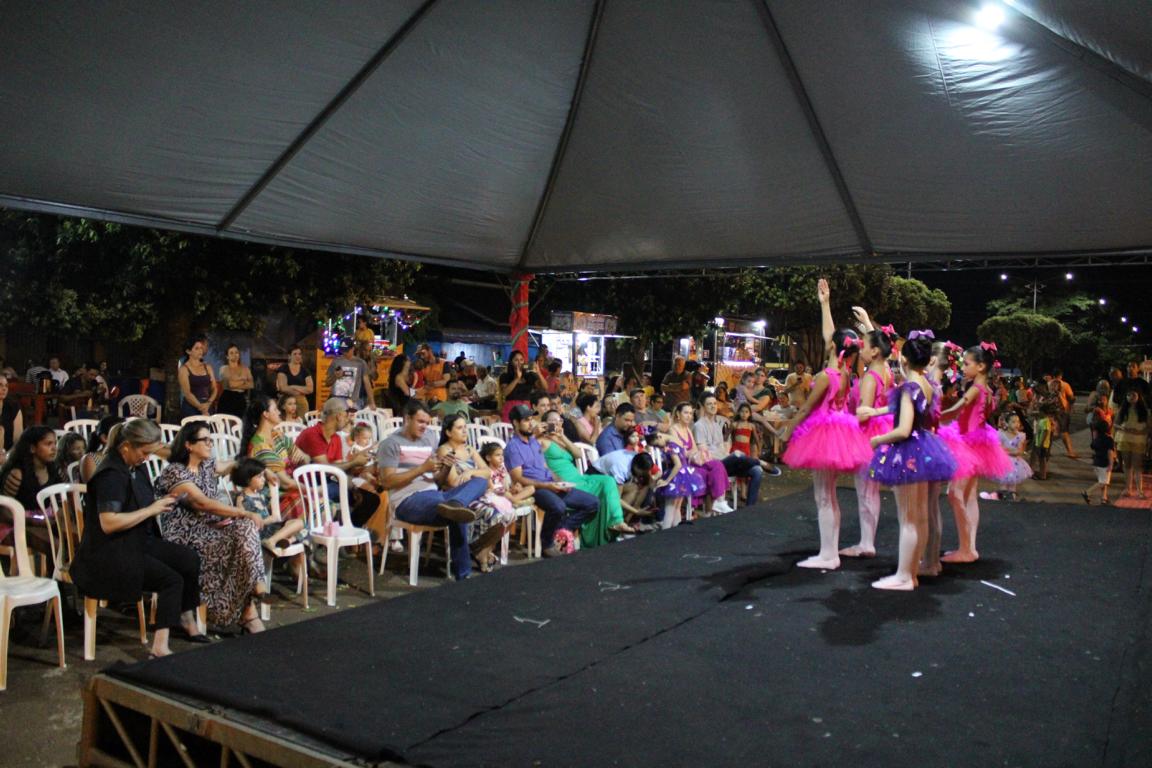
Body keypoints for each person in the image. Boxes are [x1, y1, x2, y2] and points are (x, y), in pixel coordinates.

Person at [69, 419, 207, 658]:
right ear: (126, 447)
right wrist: (151, 510)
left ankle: (186, 618)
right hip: (110, 551)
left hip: (138, 540)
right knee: (171, 580)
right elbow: (109, 523)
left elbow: (143, 498)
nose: (147, 457)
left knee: (189, 558)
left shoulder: (137, 466)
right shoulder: (110, 474)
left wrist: (167, 500)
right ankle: (160, 646)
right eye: (144, 452)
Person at [778, 278, 872, 570]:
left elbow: (806, 407)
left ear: (833, 347)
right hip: (842, 430)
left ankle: (828, 554)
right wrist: (825, 303)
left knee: (823, 495)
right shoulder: (844, 373)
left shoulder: (825, 376)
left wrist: (788, 428)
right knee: (828, 494)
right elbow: (831, 335)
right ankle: (829, 551)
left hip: (825, 431)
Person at [858, 331, 956, 591]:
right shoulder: (927, 384)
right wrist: (877, 410)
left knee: (909, 518)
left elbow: (902, 429)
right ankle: (915, 570)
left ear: (904, 358)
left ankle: (905, 575)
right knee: (920, 517)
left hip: (907, 451)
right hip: (925, 449)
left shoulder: (908, 387)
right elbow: (906, 410)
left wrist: (878, 440)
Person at [154, 421, 267, 632]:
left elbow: (231, 465)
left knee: (245, 528)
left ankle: (254, 594)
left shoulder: (208, 465)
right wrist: (244, 511)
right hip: (185, 534)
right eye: (204, 440)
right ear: (188, 445)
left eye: (211, 439)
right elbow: (201, 503)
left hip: (210, 528)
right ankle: (250, 605)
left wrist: (260, 470)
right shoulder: (175, 472)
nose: (210, 444)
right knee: (242, 527)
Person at [377, 400, 486, 581]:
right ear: (407, 419)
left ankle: (456, 503)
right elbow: (387, 482)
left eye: (427, 423)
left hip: (436, 495)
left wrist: (445, 468)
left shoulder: (429, 438)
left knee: (479, 481)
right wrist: (421, 469)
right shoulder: (390, 444)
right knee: (457, 513)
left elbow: (438, 480)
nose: (424, 427)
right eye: (420, 422)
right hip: (407, 500)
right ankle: (463, 573)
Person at [938, 343, 1013, 564]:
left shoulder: (975, 389)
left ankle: (966, 548)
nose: (963, 367)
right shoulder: (988, 390)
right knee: (969, 496)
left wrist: (929, 419)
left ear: (980, 366)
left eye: (967, 363)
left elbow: (955, 410)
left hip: (967, 444)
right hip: (979, 443)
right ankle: (969, 546)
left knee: (955, 494)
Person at [504, 405, 598, 556]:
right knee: (558, 507)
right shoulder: (513, 447)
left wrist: (559, 481)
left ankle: (561, 529)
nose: (531, 423)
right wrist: (547, 485)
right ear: (515, 423)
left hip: (549, 483)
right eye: (526, 420)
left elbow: (545, 466)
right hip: (534, 487)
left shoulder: (534, 442)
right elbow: (518, 478)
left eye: (531, 419)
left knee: (592, 503)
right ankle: (547, 544)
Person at [844, 313, 897, 558]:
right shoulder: (886, 370)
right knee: (871, 490)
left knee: (865, 491)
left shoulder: (869, 377)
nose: (860, 348)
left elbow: (864, 414)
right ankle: (867, 540)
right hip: (883, 430)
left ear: (874, 351)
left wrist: (840, 424)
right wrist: (867, 322)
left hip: (867, 436)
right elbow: (881, 343)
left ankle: (867, 543)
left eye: (864, 345)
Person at [539, 408, 634, 546]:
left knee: (608, 480)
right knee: (601, 492)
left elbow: (578, 454)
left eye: (559, 420)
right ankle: (609, 527)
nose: (556, 423)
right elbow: (537, 462)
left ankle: (617, 521)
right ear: (544, 423)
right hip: (566, 482)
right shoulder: (541, 441)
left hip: (580, 478)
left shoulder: (561, 439)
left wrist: (562, 436)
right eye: (552, 421)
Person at [436, 414, 512, 572]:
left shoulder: (470, 450)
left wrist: (471, 472)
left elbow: (487, 472)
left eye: (465, 427)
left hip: (479, 492)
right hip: (458, 497)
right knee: (497, 514)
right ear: (449, 432)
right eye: (459, 428)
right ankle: (480, 551)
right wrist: (478, 474)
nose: (464, 431)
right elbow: (454, 482)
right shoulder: (445, 451)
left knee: (510, 514)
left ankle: (482, 551)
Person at [294, 397, 379, 525]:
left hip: (328, 484)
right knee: (349, 492)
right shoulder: (312, 434)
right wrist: (354, 462)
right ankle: (341, 532)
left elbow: (340, 469)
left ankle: (346, 531)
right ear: (339, 416)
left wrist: (354, 487)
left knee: (370, 499)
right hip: (308, 487)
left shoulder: (336, 438)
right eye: (346, 415)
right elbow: (326, 469)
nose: (348, 419)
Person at [694, 393, 772, 509]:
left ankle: (750, 507)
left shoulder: (716, 425)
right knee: (737, 454)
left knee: (757, 471)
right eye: (709, 404)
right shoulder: (699, 426)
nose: (713, 406)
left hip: (725, 462)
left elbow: (722, 448)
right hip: (713, 465)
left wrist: (727, 455)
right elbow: (704, 452)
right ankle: (758, 461)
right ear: (704, 407)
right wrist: (726, 455)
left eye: (714, 403)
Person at [241, 395, 309, 521]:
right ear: (265, 414)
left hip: (289, 490)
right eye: (275, 409)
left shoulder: (277, 435)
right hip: (272, 497)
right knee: (314, 503)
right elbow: (285, 483)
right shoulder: (260, 446)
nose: (279, 412)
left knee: (323, 503)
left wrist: (302, 456)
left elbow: (305, 458)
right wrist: (312, 490)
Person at [0, 426, 62, 560]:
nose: (54, 448)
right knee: (56, 546)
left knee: (73, 538)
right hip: (15, 523)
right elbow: (4, 512)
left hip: (44, 519)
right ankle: (54, 579)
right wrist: (36, 522)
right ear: (32, 448)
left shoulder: (52, 470)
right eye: (48, 444)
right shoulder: (18, 473)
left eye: (55, 443)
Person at [232, 457, 305, 555]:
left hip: (271, 530)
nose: (263, 479)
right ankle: (275, 541)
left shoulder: (260, 494)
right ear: (248, 479)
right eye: (259, 476)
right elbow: (242, 521)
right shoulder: (242, 498)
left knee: (301, 523)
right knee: (299, 528)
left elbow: (275, 484)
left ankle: (282, 541)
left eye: (263, 476)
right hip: (260, 533)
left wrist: (269, 475)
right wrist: (269, 520)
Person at [669, 401, 730, 516]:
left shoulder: (687, 429)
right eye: (686, 413)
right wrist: (692, 454)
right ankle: (713, 506)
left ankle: (719, 501)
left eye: (691, 413)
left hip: (693, 461)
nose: (689, 416)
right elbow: (678, 451)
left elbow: (694, 448)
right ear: (678, 414)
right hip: (682, 464)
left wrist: (700, 454)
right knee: (707, 473)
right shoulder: (673, 429)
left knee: (717, 465)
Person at [985, 412, 1031, 502]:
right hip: (1003, 462)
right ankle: (1002, 499)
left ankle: (1012, 500)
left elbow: (1019, 451)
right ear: (1006, 423)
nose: (1017, 424)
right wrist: (1011, 451)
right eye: (1013, 422)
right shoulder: (1001, 434)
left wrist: (1008, 450)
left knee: (1013, 484)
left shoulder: (1021, 436)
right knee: (1003, 483)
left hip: (1015, 464)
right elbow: (999, 448)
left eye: (1018, 422)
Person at [1114, 387, 1148, 499]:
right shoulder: (1123, 410)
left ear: (1139, 396)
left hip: (1139, 440)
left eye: (1134, 395)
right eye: (1129, 395)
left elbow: (1148, 427)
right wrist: (1124, 429)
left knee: (1137, 465)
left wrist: (1140, 431)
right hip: (1124, 438)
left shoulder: (1144, 411)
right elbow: (1115, 424)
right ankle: (1128, 488)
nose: (1131, 397)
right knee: (1127, 464)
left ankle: (1140, 490)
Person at [326, 342, 375, 410]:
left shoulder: (361, 363)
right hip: (337, 400)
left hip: (354, 401)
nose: (345, 353)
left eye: (347, 350)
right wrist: (335, 376)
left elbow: (367, 383)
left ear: (352, 349)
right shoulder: (335, 362)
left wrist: (372, 402)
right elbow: (327, 383)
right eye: (343, 351)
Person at [178, 335, 217, 418]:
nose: (200, 351)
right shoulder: (184, 369)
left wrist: (209, 403)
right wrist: (201, 408)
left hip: (207, 405)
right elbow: (187, 393)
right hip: (192, 407)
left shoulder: (208, 367)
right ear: (188, 351)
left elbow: (214, 388)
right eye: (197, 348)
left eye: (201, 348)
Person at [498, 350, 541, 422]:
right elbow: (505, 393)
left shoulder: (529, 376)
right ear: (511, 362)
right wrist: (517, 379)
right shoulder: (505, 376)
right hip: (511, 410)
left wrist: (539, 373)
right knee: (510, 432)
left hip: (526, 409)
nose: (519, 362)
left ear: (524, 362)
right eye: (516, 360)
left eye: (521, 360)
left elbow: (545, 387)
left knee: (525, 431)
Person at [80, 416, 124, 483]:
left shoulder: (125, 456)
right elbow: (93, 490)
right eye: (121, 434)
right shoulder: (90, 459)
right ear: (104, 438)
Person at [1083, 418, 1115, 505]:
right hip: (1104, 463)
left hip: (1096, 462)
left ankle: (1104, 498)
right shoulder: (1109, 439)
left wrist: (1094, 436)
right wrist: (1111, 464)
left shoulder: (1096, 440)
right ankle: (1087, 492)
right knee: (1103, 482)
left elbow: (1092, 446)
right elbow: (1110, 452)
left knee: (1102, 480)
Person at [217, 344, 254, 419]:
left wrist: (236, 382)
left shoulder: (245, 368)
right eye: (231, 353)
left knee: (240, 423)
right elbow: (230, 384)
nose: (235, 355)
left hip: (240, 399)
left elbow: (251, 384)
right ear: (227, 356)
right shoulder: (224, 368)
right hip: (227, 399)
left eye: (236, 352)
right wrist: (244, 381)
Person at [275, 346, 315, 415]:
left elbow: (310, 389)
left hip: (301, 404)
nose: (298, 356)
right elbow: (283, 388)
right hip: (286, 402)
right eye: (295, 354)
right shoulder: (283, 368)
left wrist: (293, 386)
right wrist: (301, 391)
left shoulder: (305, 370)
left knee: (301, 424)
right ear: (289, 356)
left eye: (299, 354)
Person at [1051, 368, 1078, 458]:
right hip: (1063, 410)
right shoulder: (1065, 385)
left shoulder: (1049, 384)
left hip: (1051, 410)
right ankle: (1070, 451)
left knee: (1050, 431)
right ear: (1061, 376)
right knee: (1064, 431)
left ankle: (1046, 451)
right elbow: (1071, 398)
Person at [0, 374, 24, 456]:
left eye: (6, 386)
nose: (4, 388)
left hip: (8, 454)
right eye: (0, 385)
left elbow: (18, 439)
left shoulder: (13, 407)